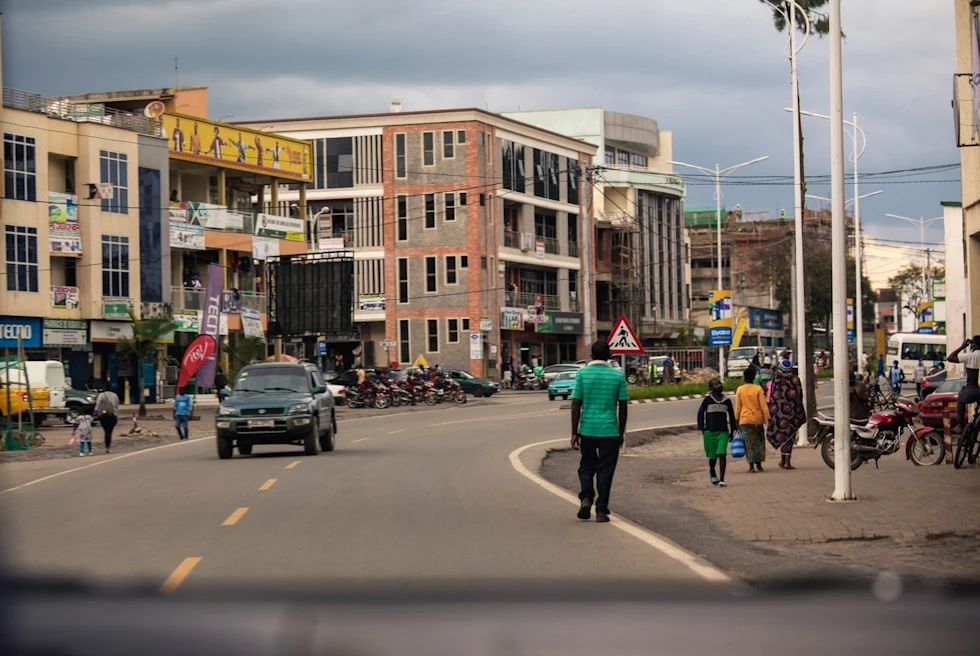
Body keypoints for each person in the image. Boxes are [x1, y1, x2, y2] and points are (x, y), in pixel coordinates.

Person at [570, 340, 628, 523]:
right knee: (606, 470)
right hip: (609, 431)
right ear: (609, 356)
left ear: (592, 356)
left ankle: (586, 497)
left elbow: (575, 403)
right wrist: (621, 432)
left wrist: (574, 432)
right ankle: (601, 510)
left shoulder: (582, 374)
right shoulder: (617, 376)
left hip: (587, 429)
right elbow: (623, 406)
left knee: (586, 465)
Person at [766, 358, 806, 470]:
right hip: (792, 412)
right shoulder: (795, 379)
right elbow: (799, 396)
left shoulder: (777, 379)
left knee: (782, 435)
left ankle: (784, 461)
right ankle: (786, 462)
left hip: (778, 413)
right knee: (790, 437)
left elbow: (772, 396)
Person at [697, 377, 737, 486]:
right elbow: (700, 414)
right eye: (716, 384)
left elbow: (732, 417)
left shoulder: (727, 401)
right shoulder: (707, 400)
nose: (719, 385)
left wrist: (733, 430)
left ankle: (722, 479)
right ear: (711, 388)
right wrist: (702, 429)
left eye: (719, 383)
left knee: (722, 454)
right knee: (713, 457)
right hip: (709, 432)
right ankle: (712, 471)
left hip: (723, 432)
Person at [735, 367, 770, 473]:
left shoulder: (740, 389)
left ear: (744, 377)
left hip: (745, 420)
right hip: (758, 420)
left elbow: (738, 407)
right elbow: (763, 405)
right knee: (759, 442)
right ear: (754, 377)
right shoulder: (758, 389)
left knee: (748, 443)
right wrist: (768, 417)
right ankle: (759, 465)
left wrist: (736, 419)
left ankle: (751, 467)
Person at [947, 336, 980, 433]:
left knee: (961, 398)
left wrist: (962, 347)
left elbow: (950, 357)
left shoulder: (970, 356)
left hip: (972, 389)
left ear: (973, 345)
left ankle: (959, 425)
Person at [94, 383, 120, 454]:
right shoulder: (115, 395)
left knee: (106, 431)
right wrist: (116, 415)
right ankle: (108, 447)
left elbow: (98, 404)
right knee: (109, 432)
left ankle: (107, 446)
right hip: (112, 416)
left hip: (104, 415)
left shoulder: (102, 395)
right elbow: (117, 406)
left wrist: (95, 412)